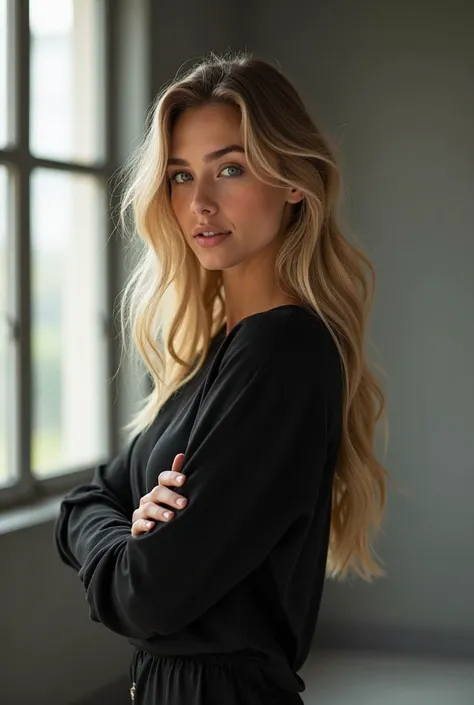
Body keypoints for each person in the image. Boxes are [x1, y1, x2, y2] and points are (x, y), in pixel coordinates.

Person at [54, 50, 390, 705]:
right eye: (179, 176)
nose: (199, 203)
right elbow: (85, 499)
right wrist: (124, 534)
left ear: (295, 180)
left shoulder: (281, 355)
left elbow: (143, 594)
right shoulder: (218, 352)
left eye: (229, 169)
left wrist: (121, 543)